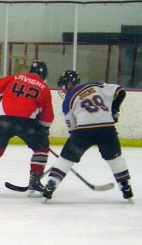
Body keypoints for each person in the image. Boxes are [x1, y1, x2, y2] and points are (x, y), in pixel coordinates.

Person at [37, 70, 133, 203]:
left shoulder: (67, 102)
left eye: (64, 86)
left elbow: (72, 129)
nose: (63, 90)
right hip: (107, 128)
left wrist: (73, 150)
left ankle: (51, 185)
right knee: (115, 158)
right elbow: (120, 91)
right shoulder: (95, 86)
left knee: (65, 159)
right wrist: (115, 110)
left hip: (84, 131)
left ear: (71, 83)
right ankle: (126, 187)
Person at [0, 60, 54, 195]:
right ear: (44, 74)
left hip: (2, 120)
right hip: (26, 123)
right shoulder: (44, 87)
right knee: (41, 149)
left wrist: (0, 102)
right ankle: (34, 180)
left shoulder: (15, 77)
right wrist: (43, 132)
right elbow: (47, 117)